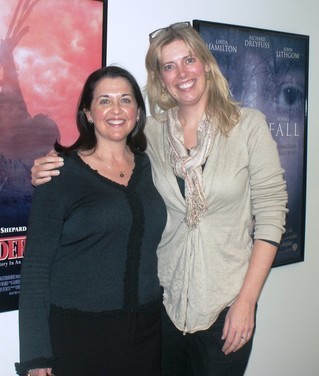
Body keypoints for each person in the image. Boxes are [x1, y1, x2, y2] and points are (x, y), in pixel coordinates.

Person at [30, 22, 288, 376]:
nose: (181, 73)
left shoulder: (248, 127)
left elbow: (272, 216)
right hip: (163, 311)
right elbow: (102, 153)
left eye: (189, 60)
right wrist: (48, 166)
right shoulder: (150, 133)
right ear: (160, 77)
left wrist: (247, 302)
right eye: (169, 66)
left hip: (226, 307)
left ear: (207, 65)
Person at [15, 66, 167, 376]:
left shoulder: (152, 166)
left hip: (147, 332)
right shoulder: (59, 172)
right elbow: (35, 269)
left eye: (125, 100)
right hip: (79, 336)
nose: (116, 109)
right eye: (104, 100)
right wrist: (36, 356)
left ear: (138, 112)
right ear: (87, 111)